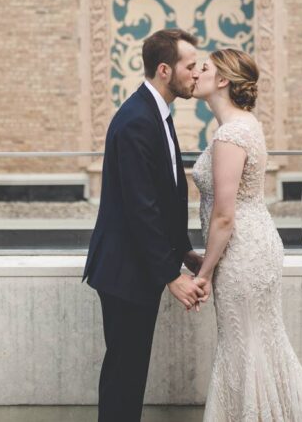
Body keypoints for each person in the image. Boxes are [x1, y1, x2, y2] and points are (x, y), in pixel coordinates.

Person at [191, 48, 302, 421]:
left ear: (222, 81)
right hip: (254, 245)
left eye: (203, 68)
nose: (195, 73)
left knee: (243, 346)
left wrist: (203, 274)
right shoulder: (244, 125)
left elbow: (223, 216)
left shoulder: (231, 135)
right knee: (261, 343)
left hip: (241, 253)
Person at [82, 28, 208, 422]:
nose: (197, 73)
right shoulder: (137, 119)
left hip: (137, 266)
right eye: (190, 66)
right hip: (124, 270)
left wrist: (183, 251)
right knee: (125, 372)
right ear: (165, 70)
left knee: (130, 371)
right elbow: (141, 209)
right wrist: (172, 275)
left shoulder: (156, 112)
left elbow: (165, 195)